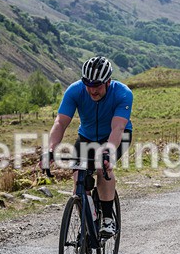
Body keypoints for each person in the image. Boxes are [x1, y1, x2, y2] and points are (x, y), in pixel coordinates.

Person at [43, 56, 133, 237]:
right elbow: (60, 123)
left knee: (102, 168)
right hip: (87, 137)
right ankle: (87, 224)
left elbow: (118, 127)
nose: (92, 90)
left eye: (97, 85)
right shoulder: (75, 91)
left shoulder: (123, 93)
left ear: (108, 81)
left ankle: (107, 219)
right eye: (88, 84)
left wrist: (108, 153)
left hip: (116, 137)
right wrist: (51, 149)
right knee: (79, 177)